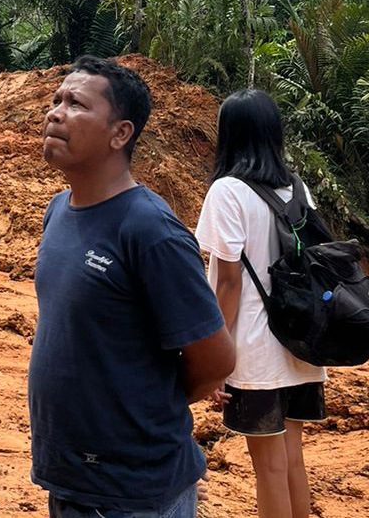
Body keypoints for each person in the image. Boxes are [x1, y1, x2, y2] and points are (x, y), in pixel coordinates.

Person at [30, 56, 235, 518]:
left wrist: (144, 406)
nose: (55, 113)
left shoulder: (149, 231)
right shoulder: (58, 211)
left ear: (120, 134)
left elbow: (216, 360)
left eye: (76, 103)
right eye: (56, 100)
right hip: (70, 478)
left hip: (132, 491)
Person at [195, 89, 326, 518]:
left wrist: (217, 355)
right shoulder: (297, 189)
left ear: (228, 134)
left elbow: (228, 282)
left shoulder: (227, 191)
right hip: (300, 343)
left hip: (254, 347)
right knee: (291, 458)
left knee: (267, 467)